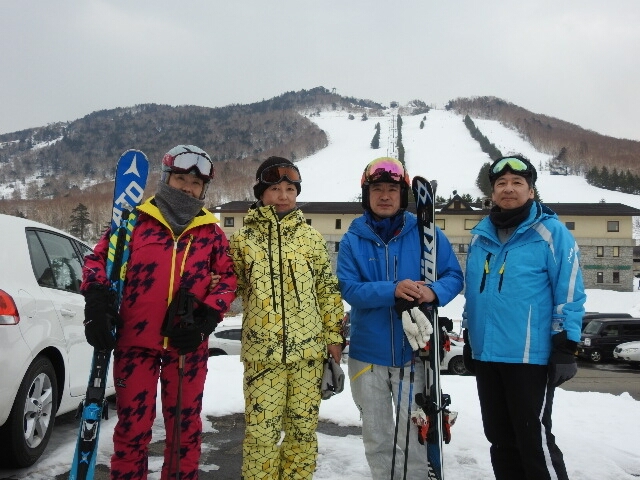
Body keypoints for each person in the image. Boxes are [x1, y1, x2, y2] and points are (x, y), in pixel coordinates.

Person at [81, 145, 237, 480]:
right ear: (166, 179)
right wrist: (96, 302)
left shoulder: (211, 232)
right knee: (132, 428)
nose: (188, 188)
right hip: (135, 343)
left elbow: (228, 278)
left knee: (185, 429)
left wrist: (207, 319)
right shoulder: (133, 222)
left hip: (186, 345)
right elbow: (97, 261)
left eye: (195, 184)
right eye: (181, 179)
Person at [336, 157, 464, 480]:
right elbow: (349, 289)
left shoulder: (426, 234)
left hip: (415, 355)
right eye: (377, 189)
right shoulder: (353, 238)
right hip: (367, 356)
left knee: (415, 437)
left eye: (392, 190)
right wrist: (392, 290)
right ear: (366, 195)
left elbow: (454, 276)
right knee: (377, 438)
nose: (384, 196)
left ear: (403, 195)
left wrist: (432, 292)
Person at [462, 155, 586, 480]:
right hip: (487, 357)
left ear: (531, 191)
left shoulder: (552, 233)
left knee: (534, 442)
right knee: (500, 440)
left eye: (517, 183)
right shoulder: (480, 236)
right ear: (492, 193)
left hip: (530, 357)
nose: (508, 189)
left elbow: (569, 292)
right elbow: (473, 294)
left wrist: (566, 346)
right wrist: (470, 339)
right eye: (501, 183)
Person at [229, 156, 344, 480]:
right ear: (261, 193)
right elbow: (228, 287)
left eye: (290, 189)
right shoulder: (242, 240)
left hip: (308, 355)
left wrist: (334, 338)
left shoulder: (311, 239)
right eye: (275, 189)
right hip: (262, 357)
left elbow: (327, 290)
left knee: (302, 434)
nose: (283, 196)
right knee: (261, 437)